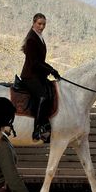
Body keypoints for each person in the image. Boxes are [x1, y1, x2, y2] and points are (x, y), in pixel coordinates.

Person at [20, 13, 60, 141]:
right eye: (39, 24)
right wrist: (51, 69)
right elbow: (35, 63)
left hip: (38, 75)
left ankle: (46, 124)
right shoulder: (32, 39)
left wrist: (51, 70)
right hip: (30, 75)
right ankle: (37, 129)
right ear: (33, 23)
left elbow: (40, 61)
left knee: (51, 92)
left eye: (44, 24)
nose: (42, 26)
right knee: (43, 96)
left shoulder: (38, 36)